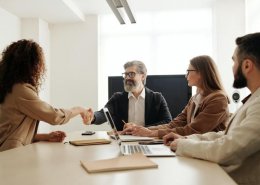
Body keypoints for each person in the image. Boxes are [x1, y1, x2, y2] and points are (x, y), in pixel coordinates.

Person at [163, 32, 260, 185]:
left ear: (247, 65)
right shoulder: (253, 100)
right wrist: (186, 139)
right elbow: (226, 136)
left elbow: (228, 149)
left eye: (234, 61)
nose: (233, 67)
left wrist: (183, 144)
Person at [0, 39, 93, 152]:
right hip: (9, 156)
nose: (40, 67)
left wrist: (45, 137)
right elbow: (54, 116)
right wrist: (79, 109)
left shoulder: (9, 87)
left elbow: (11, 131)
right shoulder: (20, 90)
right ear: (30, 64)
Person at [122, 55, 229, 138]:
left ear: (201, 73)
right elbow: (173, 124)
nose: (185, 75)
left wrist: (152, 133)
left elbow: (193, 130)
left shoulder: (218, 99)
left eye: (189, 71)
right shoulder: (195, 98)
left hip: (208, 155)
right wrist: (141, 129)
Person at [91, 60, 172, 131]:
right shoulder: (117, 98)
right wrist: (92, 117)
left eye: (131, 74)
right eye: (125, 74)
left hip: (149, 141)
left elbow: (167, 122)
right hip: (124, 140)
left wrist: (139, 129)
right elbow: (103, 114)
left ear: (143, 76)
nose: (127, 78)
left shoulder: (157, 98)